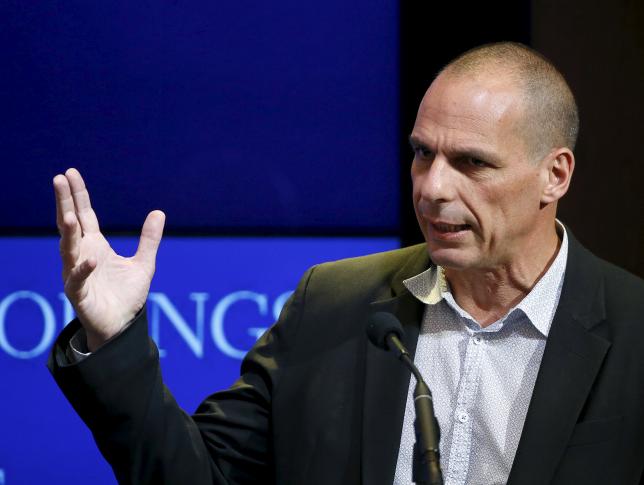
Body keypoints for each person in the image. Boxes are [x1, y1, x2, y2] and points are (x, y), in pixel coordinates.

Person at [48, 42, 644, 484]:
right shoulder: (333, 304)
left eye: (471, 163)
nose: (433, 187)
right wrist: (114, 336)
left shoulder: (634, 331)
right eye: (422, 154)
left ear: (554, 175)